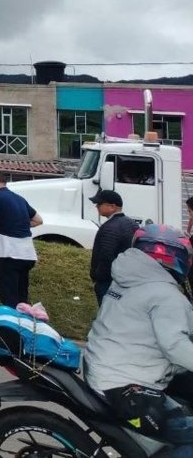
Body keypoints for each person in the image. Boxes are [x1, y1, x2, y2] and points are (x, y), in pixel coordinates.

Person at [84, 224, 193, 454]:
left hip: (103, 368)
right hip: (125, 385)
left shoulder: (130, 279)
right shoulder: (166, 295)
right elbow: (175, 346)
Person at [0, 170, 43, 307]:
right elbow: (38, 220)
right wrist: (16, 224)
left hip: (8, 254)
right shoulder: (19, 199)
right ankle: (24, 322)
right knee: (21, 297)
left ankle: (10, 326)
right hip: (27, 255)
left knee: (9, 299)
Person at [89, 189, 138, 305]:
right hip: (128, 278)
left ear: (112, 206)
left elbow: (106, 255)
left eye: (99, 204)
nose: (96, 206)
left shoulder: (109, 227)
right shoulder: (132, 223)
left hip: (109, 281)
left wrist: (97, 276)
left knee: (106, 311)